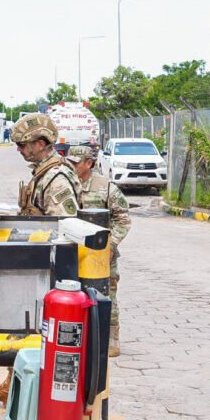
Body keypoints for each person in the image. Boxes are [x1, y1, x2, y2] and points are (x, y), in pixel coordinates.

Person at [66, 145, 131, 357]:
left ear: (88, 163)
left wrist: (111, 244)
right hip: (72, 252)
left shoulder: (106, 187)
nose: (71, 166)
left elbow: (123, 219)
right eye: (70, 162)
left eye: (76, 163)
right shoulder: (64, 185)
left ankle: (111, 338)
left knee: (106, 296)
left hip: (101, 255)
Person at [11, 113, 80, 216]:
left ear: (40, 144)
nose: (18, 149)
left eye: (22, 145)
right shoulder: (44, 172)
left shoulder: (57, 180)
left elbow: (64, 224)